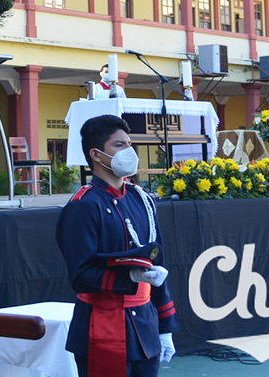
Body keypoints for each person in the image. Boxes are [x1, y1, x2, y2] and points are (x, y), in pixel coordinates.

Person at [56, 114, 178, 377]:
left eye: (130, 144)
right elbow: (80, 275)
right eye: (119, 145)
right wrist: (130, 276)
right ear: (96, 155)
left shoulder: (142, 199)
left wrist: (165, 326)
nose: (129, 152)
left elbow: (157, 264)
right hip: (101, 326)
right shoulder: (84, 206)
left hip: (145, 326)